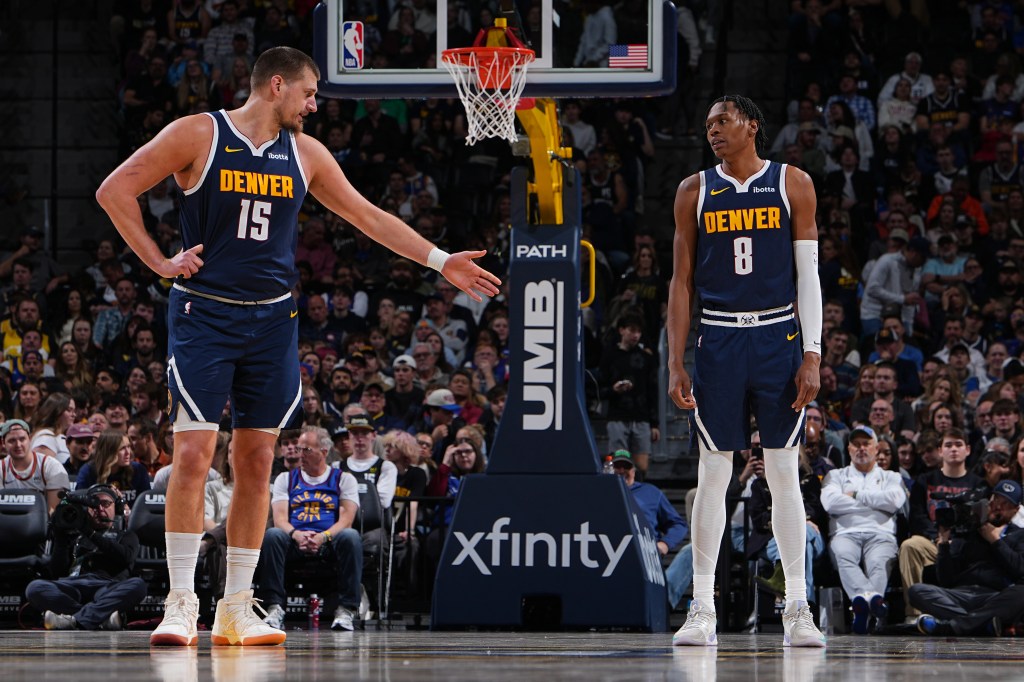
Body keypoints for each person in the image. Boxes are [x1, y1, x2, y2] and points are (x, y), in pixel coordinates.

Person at [94, 46, 499, 648]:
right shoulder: (198, 133)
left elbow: (367, 216)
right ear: (277, 86)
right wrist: (159, 262)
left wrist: (441, 262)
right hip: (206, 317)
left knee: (257, 463)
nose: (314, 107)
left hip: (273, 324)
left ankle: (236, 605)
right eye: (309, 94)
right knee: (194, 456)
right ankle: (180, 603)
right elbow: (114, 190)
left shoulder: (305, 154)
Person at [667, 95, 825, 647]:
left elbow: (809, 275)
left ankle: (798, 609)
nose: (712, 131)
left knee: (783, 471)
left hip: (779, 335)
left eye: (722, 122)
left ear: (752, 125)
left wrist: (814, 352)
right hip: (719, 336)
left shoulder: (793, 183)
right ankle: (702, 608)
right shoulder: (694, 190)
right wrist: (675, 359)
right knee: (714, 471)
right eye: (707, 124)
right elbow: (680, 283)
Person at [259, 426, 362, 632]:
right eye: (299, 449)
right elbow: (279, 519)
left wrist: (323, 537)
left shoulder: (343, 479)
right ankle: (274, 607)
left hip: (328, 542)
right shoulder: (286, 479)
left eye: (306, 450)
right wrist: (296, 535)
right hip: (295, 541)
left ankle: (346, 610)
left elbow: (346, 520)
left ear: (323, 452)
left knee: (351, 536)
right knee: (272, 535)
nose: (300, 454)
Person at [820, 425, 907, 634]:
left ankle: (861, 605)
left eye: (866, 444)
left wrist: (856, 495)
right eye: (856, 444)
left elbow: (895, 500)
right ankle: (871, 600)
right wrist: (876, 503)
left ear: (876, 448)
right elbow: (830, 503)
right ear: (848, 449)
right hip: (845, 533)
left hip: (881, 534)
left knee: (878, 563)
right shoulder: (835, 475)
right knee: (843, 554)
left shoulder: (892, 477)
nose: (861, 448)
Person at [26, 485, 147, 630]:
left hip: (107, 587)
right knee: (34, 588)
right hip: (73, 587)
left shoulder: (126, 536)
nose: (100, 508)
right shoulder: (74, 534)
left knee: (138, 585)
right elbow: (57, 571)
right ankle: (98, 617)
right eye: (93, 505)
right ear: (87, 509)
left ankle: (72, 620)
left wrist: (89, 533)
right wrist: (60, 538)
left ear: (117, 509)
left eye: (106, 504)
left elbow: (126, 557)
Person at [912, 480, 1024, 636]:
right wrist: (944, 543)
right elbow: (946, 579)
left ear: (1016, 510)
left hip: (993, 597)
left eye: (1006, 503)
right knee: (917, 590)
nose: (998, 506)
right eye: (996, 499)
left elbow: (1019, 570)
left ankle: (952, 626)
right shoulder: (969, 529)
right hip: (960, 595)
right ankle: (980, 625)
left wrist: (995, 541)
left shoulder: (1019, 535)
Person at [897, 428, 983, 621]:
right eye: (948, 445)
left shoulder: (979, 484)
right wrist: (937, 538)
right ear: (940, 450)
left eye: (958, 445)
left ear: (968, 450)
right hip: (934, 543)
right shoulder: (924, 481)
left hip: (966, 547)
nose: (954, 449)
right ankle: (915, 615)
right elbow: (918, 517)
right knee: (909, 546)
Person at [610, 449, 688, 558]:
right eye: (617, 466)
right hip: (609, 549)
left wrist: (665, 544)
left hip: (646, 554)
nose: (622, 470)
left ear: (633, 470)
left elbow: (678, 524)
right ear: (610, 470)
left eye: (626, 466)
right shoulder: (602, 492)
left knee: (690, 552)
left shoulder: (651, 492)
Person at [0, 418, 70, 513]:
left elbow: (54, 512)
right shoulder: (1, 468)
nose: (18, 445)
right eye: (12, 441)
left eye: (22, 439)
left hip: (43, 525)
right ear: (3, 443)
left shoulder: (52, 466)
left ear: (30, 439)